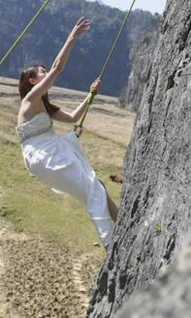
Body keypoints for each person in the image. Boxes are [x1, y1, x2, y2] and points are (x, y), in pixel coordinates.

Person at [16, 17, 118, 247]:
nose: (46, 74)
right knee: (93, 189)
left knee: (97, 186)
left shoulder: (44, 105)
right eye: (41, 72)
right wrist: (72, 37)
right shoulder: (30, 100)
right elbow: (57, 68)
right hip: (44, 155)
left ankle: (121, 223)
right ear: (32, 80)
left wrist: (90, 95)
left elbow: (72, 118)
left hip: (48, 153)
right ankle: (111, 242)